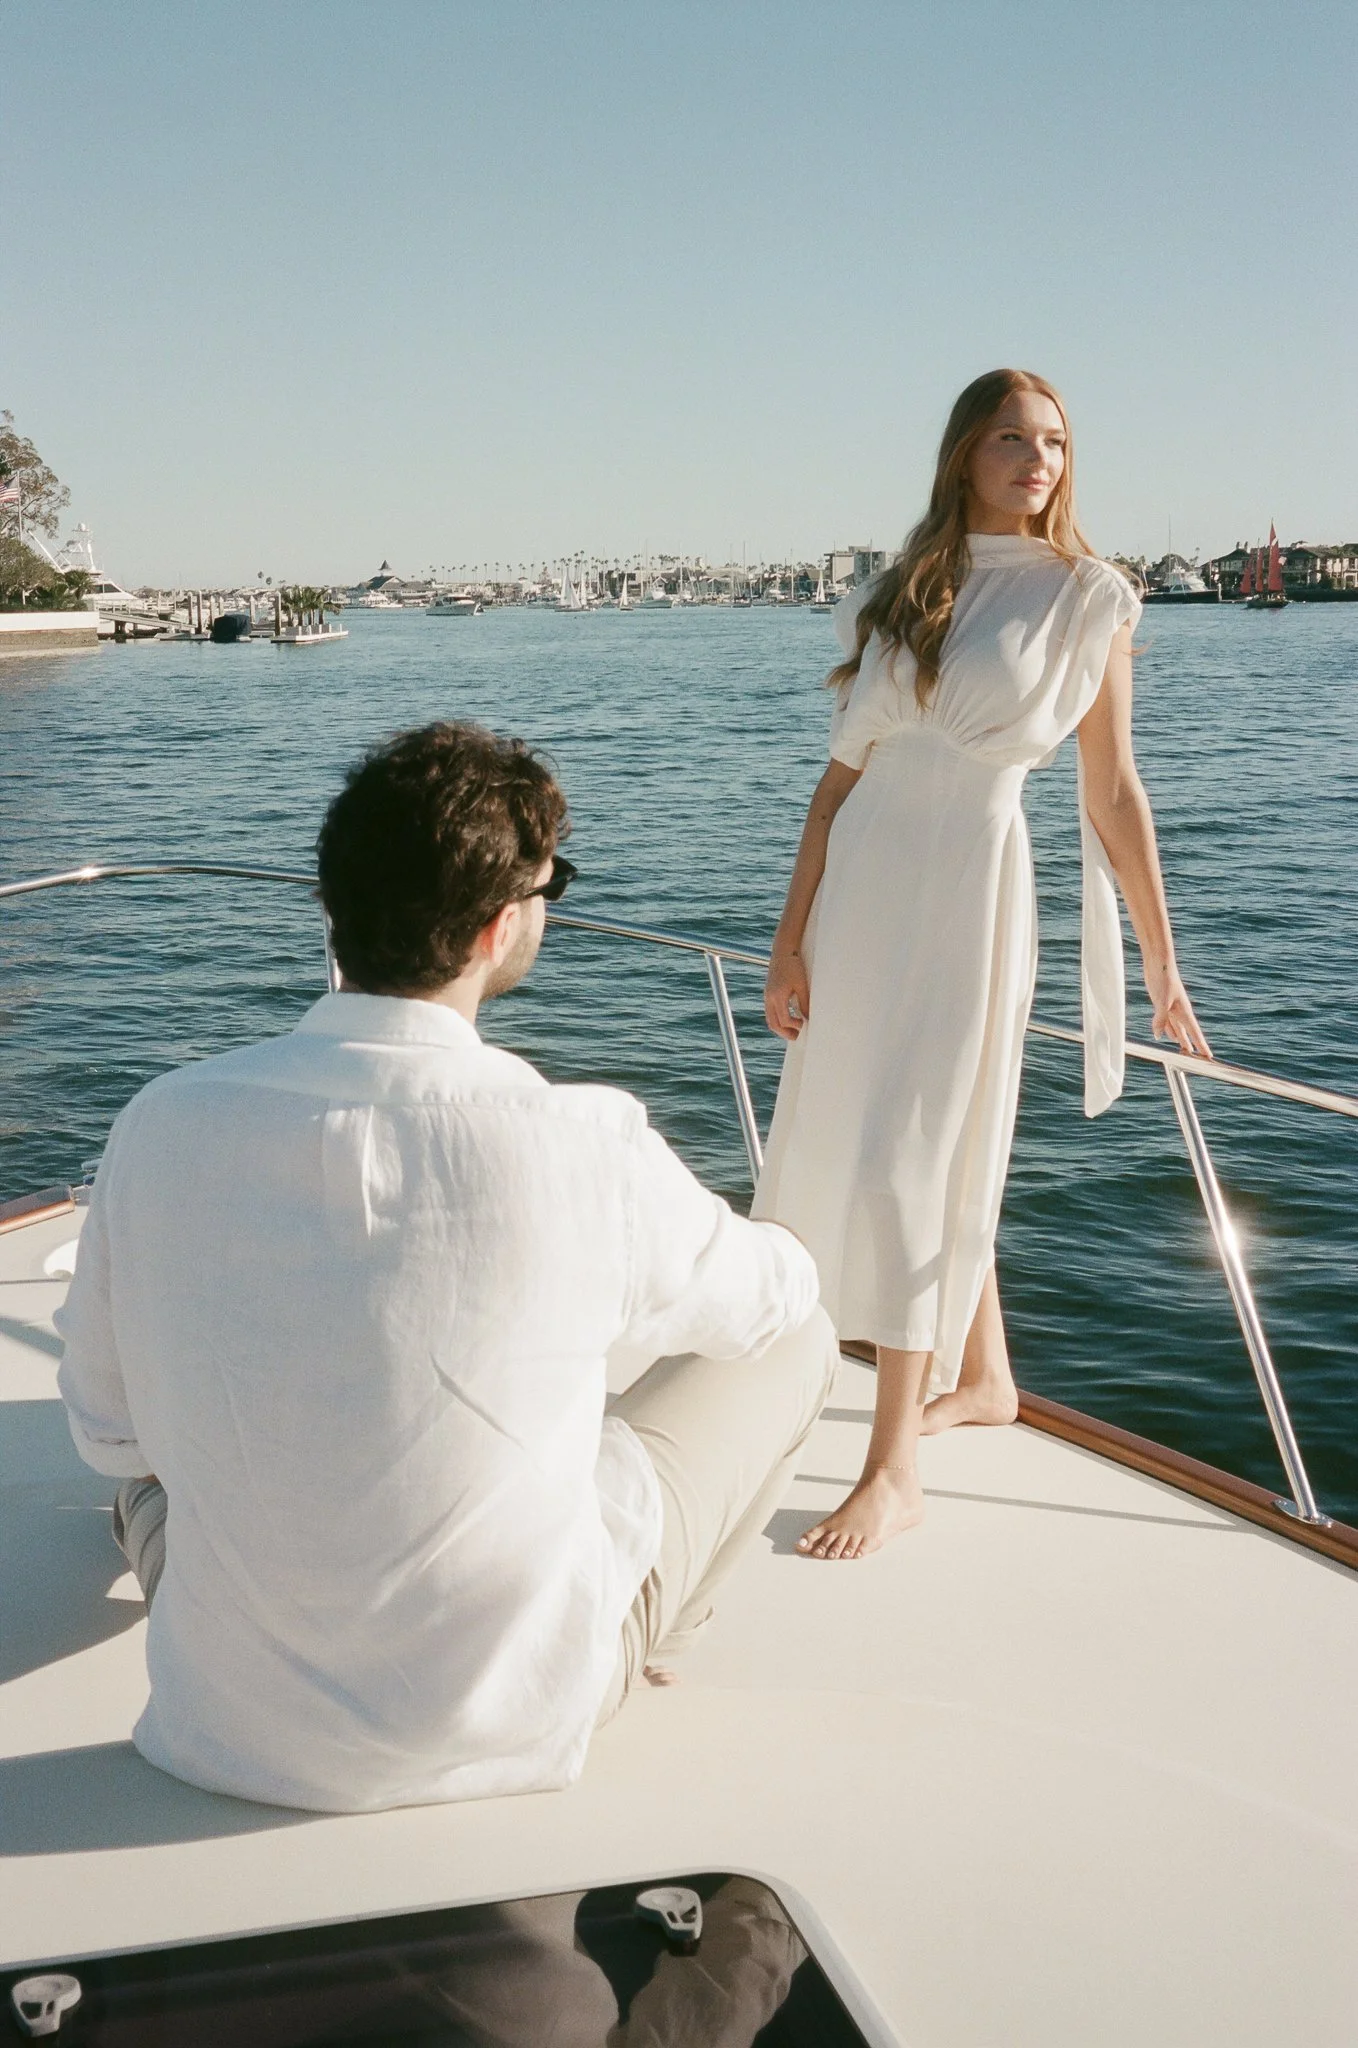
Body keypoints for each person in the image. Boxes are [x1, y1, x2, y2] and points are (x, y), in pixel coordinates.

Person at [56, 721, 836, 1811]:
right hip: (515, 1723)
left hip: (220, 1724)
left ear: (336, 907)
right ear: (495, 925)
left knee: (149, 1461)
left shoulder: (162, 1124)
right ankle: (661, 1627)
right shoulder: (582, 1142)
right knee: (798, 1331)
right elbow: (770, 1305)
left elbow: (107, 1428)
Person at [753, 368, 1211, 1562]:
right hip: (860, 894)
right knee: (883, 1130)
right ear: (964, 451)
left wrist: (1163, 964)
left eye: (1054, 441)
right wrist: (787, 937)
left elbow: (1110, 790)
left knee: (916, 1139)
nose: (1037, 458)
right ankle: (987, 1376)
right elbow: (835, 783)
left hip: (968, 891)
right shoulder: (899, 588)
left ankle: (892, 1467)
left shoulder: (1088, 597)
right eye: (1012, 436)